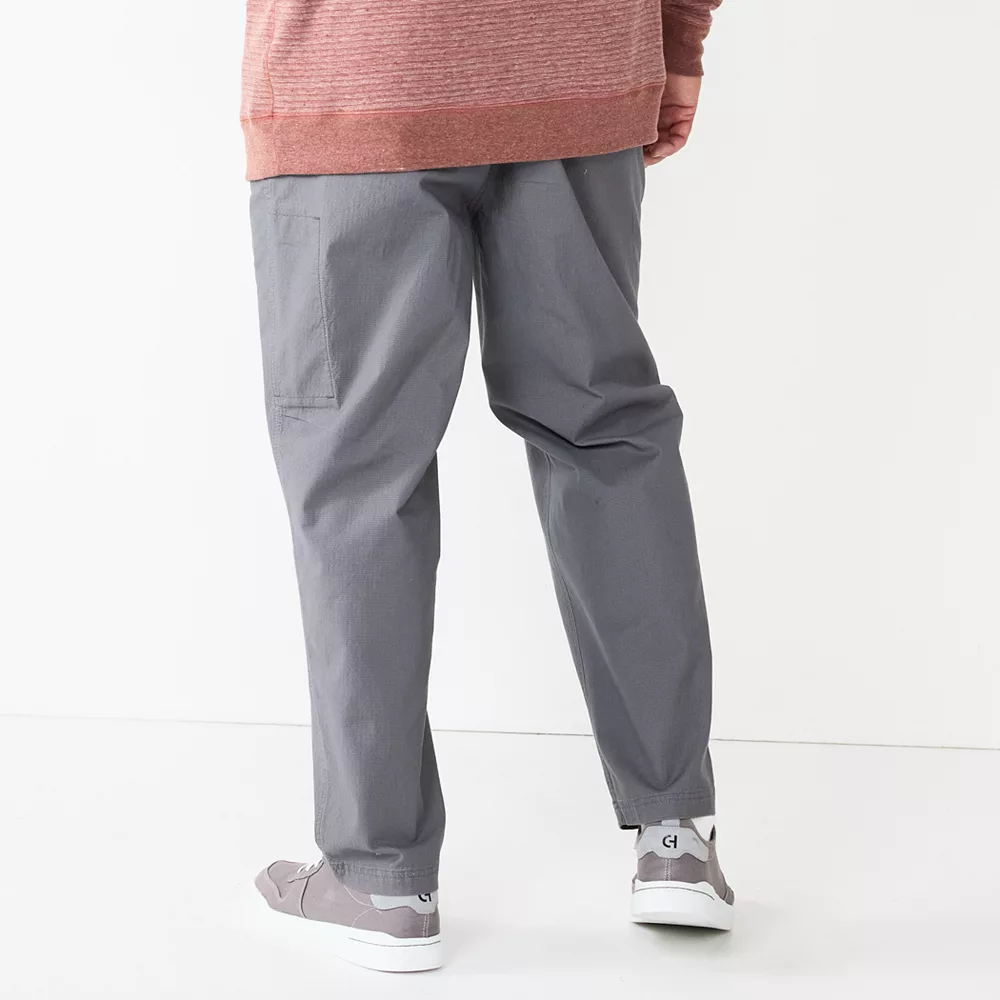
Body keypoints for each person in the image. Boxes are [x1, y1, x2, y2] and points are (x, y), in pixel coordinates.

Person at [243, 0, 732, 973]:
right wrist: (677, 38)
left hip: (360, 71)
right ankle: (675, 836)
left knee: (357, 473)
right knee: (604, 433)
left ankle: (381, 878)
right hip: (580, 60)